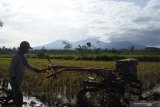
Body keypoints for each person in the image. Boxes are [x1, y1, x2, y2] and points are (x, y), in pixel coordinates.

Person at [8, 41, 43, 107]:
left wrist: (36, 69)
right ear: (23, 48)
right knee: (20, 97)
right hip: (14, 80)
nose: (28, 50)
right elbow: (11, 69)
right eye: (27, 49)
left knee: (14, 94)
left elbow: (28, 65)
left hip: (18, 80)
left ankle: (8, 103)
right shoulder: (16, 57)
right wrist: (14, 79)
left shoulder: (23, 57)